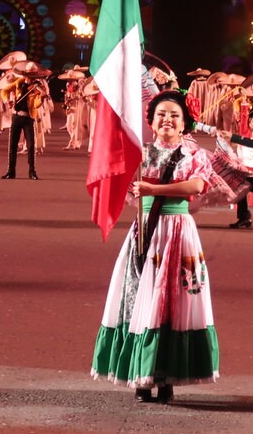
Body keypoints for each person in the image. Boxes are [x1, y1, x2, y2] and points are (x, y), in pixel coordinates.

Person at [91, 90, 220, 403]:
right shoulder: (140, 154)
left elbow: (196, 186)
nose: (167, 120)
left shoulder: (194, 155)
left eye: (174, 115)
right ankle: (141, 375)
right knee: (142, 298)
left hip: (178, 231)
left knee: (174, 303)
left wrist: (152, 187)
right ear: (150, 120)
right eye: (161, 114)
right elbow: (123, 187)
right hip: (146, 230)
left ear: (184, 122)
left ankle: (167, 378)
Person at [0, 61, 47, 179]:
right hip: (16, 116)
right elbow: (4, 91)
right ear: (25, 74)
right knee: (13, 145)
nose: (31, 77)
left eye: (33, 75)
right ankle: (11, 171)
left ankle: (32, 171)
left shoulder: (37, 87)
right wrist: (7, 101)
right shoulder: (19, 82)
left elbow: (36, 104)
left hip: (28, 118)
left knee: (31, 145)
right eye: (29, 75)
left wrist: (41, 98)